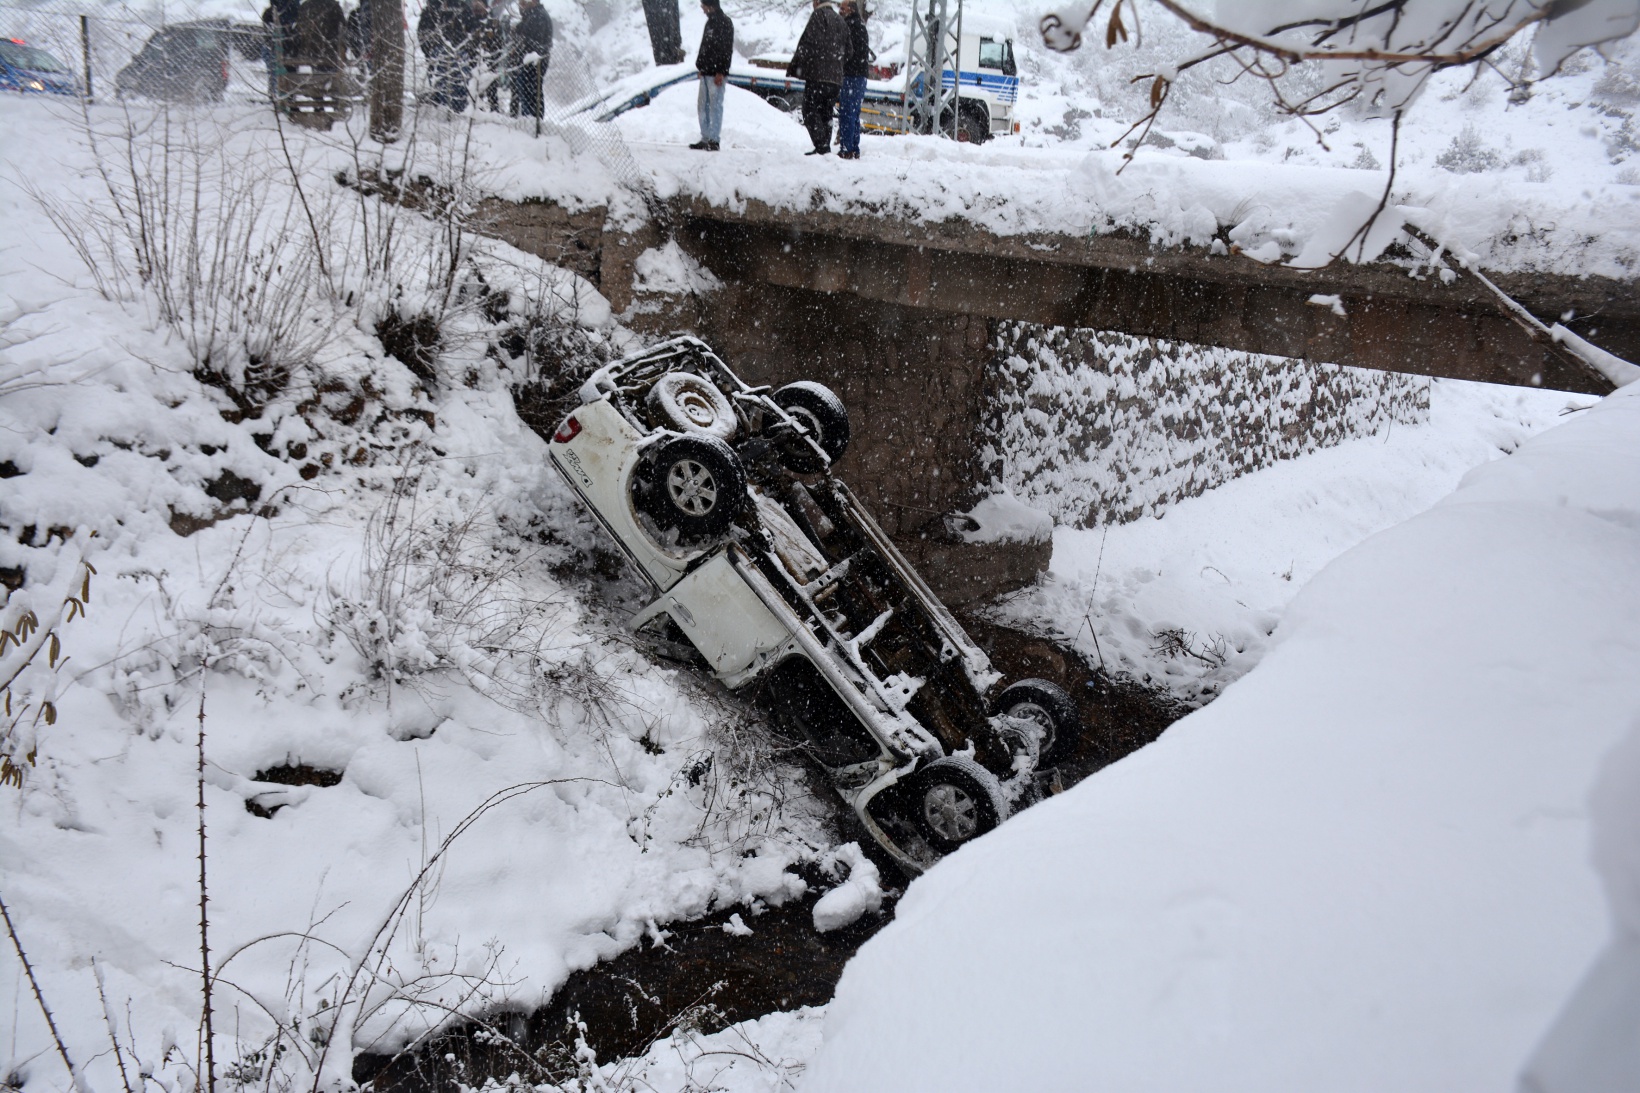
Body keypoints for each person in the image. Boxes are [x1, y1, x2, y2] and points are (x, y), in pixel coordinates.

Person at [787, 0, 846, 156]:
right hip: (835, 78)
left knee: (809, 109)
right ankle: (824, 147)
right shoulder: (841, 20)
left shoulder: (818, 16)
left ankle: (821, 146)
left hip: (818, 75)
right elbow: (850, 51)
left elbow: (808, 44)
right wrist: (837, 64)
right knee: (826, 112)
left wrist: (798, 66)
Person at [691, 0, 733, 151]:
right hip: (706, 71)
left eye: (704, 5)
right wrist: (701, 65)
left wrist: (721, 70)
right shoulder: (709, 23)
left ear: (711, 6)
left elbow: (726, 49)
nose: (702, 8)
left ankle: (714, 140)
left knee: (715, 106)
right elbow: (705, 46)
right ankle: (705, 137)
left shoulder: (725, 23)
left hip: (716, 73)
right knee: (703, 106)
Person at [837, 0, 870, 159]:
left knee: (846, 113)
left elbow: (845, 52)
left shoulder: (848, 26)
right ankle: (854, 148)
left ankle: (846, 149)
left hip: (851, 75)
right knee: (854, 113)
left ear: (850, 9)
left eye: (842, 8)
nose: (840, 10)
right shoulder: (861, 26)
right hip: (861, 76)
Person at [510, 0, 553, 119]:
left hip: (533, 63)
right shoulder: (534, 15)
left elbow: (532, 41)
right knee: (530, 94)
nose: (521, 5)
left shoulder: (537, 16)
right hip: (531, 62)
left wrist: (521, 41)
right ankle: (532, 120)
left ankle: (533, 121)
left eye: (523, 2)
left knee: (530, 95)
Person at [261, 0, 299, 101]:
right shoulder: (295, 12)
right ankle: (287, 97)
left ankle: (276, 96)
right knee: (288, 73)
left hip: (276, 46)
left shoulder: (270, 13)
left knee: (274, 73)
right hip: (289, 47)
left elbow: (268, 34)